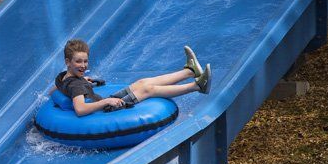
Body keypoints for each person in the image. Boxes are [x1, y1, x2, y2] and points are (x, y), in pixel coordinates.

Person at [51, 39, 211, 116]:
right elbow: (80, 110)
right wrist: (106, 101)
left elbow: (57, 88)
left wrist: (83, 81)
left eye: (85, 61)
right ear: (68, 62)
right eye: (78, 61)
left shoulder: (63, 77)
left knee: (141, 82)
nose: (84, 65)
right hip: (107, 109)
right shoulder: (76, 86)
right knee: (148, 89)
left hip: (104, 102)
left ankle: (189, 71)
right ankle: (197, 87)